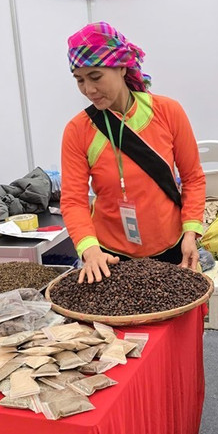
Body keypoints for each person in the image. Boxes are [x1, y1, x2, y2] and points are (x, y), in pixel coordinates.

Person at [60, 22, 206, 283]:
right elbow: (74, 200)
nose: (88, 90)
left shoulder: (167, 112)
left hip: (172, 248)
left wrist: (190, 233)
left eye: (95, 77)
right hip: (109, 257)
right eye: (79, 80)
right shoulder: (78, 130)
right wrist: (89, 250)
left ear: (122, 66)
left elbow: (193, 178)